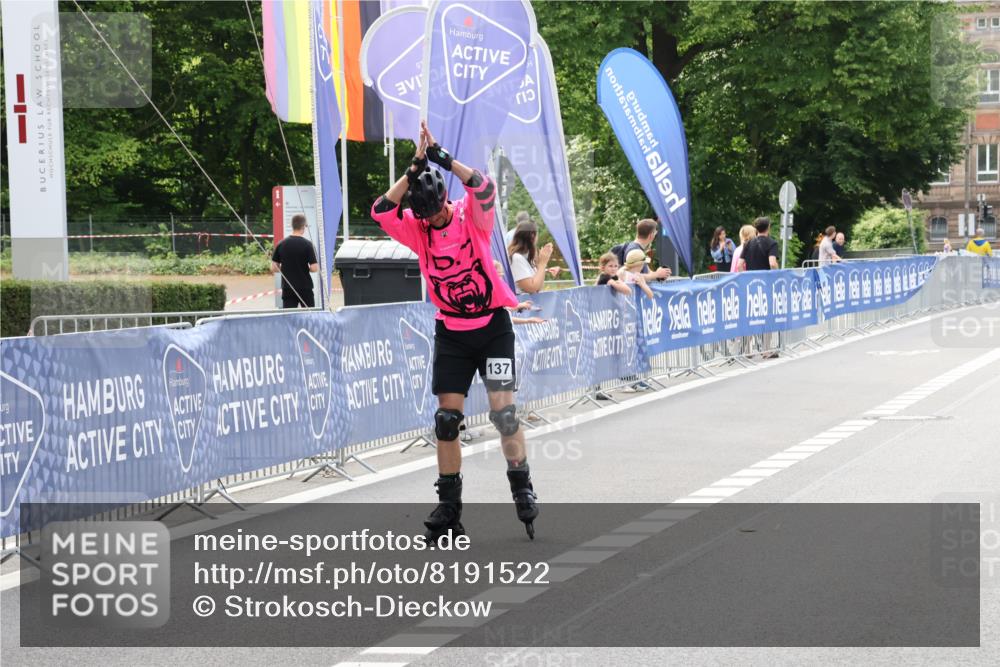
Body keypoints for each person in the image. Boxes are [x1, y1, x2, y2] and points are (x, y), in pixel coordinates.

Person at [370, 120, 538, 541]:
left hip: (493, 329)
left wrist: (441, 157)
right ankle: (449, 507)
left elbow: (482, 186)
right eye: (425, 216)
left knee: (504, 413)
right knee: (446, 420)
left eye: (437, 213)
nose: (432, 221)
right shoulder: (419, 228)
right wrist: (412, 169)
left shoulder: (469, 216)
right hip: (452, 334)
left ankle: (521, 485)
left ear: (447, 202)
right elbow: (381, 211)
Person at [271, 213, 318, 308]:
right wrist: (304, 269)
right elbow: (314, 268)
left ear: (292, 226)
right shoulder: (308, 245)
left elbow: (274, 268)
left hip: (288, 287)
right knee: (309, 316)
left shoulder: (281, 244)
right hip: (305, 287)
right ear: (304, 226)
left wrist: (286, 268)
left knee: (290, 317)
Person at [508, 219, 557, 295]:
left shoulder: (527, 259)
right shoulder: (516, 258)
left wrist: (540, 264)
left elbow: (538, 287)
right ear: (532, 235)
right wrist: (542, 264)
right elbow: (531, 288)